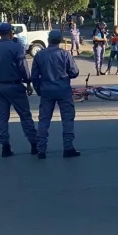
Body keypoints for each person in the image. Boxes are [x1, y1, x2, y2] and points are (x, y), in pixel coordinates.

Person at [0, 23, 38, 157]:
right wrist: (28, 82)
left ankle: (5, 146)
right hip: (14, 86)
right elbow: (22, 66)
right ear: (11, 33)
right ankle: (34, 143)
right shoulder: (16, 48)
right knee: (25, 115)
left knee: (2, 118)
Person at [31, 30, 81, 159]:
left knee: (44, 120)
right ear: (59, 40)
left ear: (48, 40)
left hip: (46, 91)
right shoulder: (65, 54)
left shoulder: (39, 55)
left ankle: (41, 149)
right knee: (67, 119)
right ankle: (68, 147)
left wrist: (39, 90)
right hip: (63, 90)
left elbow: (34, 76)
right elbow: (74, 72)